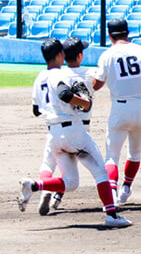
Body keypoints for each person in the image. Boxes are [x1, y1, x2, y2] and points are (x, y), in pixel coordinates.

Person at [17, 38, 132, 228]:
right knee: (101, 172)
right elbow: (64, 94)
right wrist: (84, 103)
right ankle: (111, 214)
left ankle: (34, 185)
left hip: (54, 135)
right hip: (74, 132)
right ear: (59, 55)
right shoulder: (57, 75)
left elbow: (36, 110)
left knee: (71, 182)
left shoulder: (39, 77)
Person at [93, 19, 141, 205]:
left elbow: (97, 85)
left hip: (120, 108)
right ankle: (126, 187)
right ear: (128, 33)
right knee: (135, 152)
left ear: (110, 36)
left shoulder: (107, 55)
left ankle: (112, 192)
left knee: (112, 155)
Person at [36, 37, 96, 215]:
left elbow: (37, 109)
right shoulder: (88, 73)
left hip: (55, 127)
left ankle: (49, 191)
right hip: (80, 127)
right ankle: (112, 198)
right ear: (79, 55)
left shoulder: (52, 76)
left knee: (51, 163)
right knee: (96, 169)